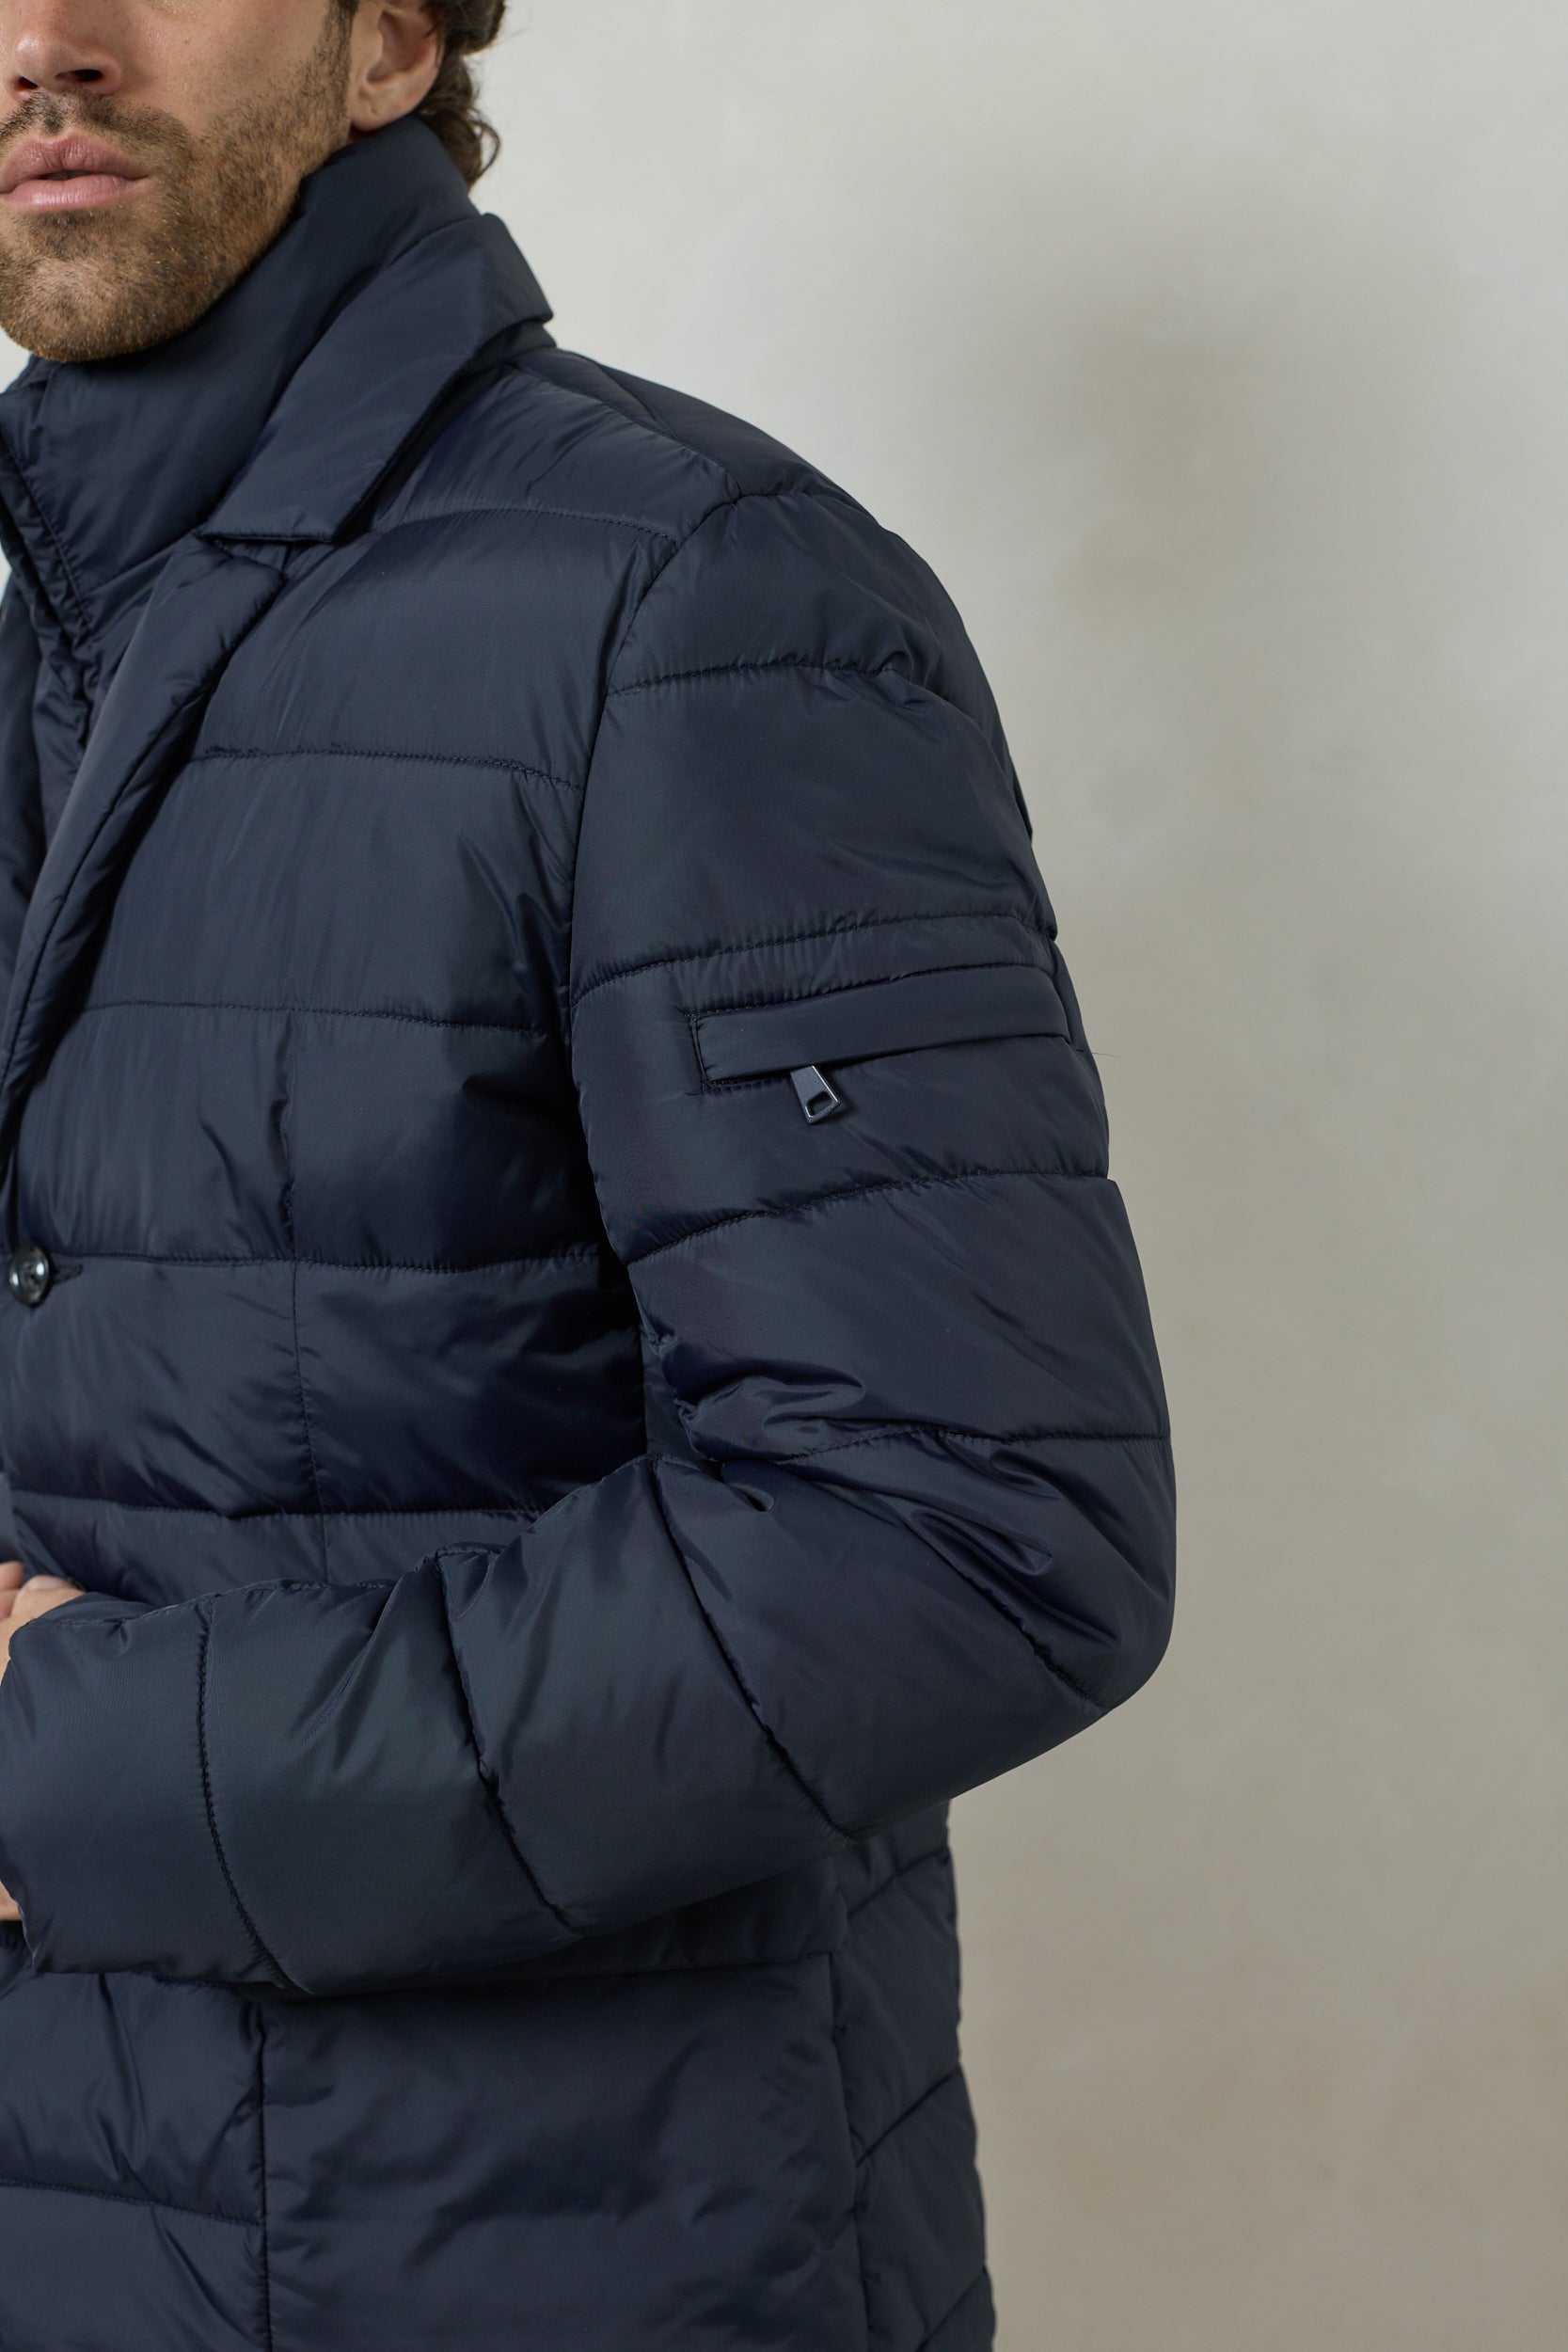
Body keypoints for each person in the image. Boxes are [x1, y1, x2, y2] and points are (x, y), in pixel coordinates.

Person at [0, 4, 1176, 2346]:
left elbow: (972, 1531)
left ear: (385, 45)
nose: (48, 39)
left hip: (539, 2259)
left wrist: (78, 1756)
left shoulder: (697, 598)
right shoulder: (62, 647)